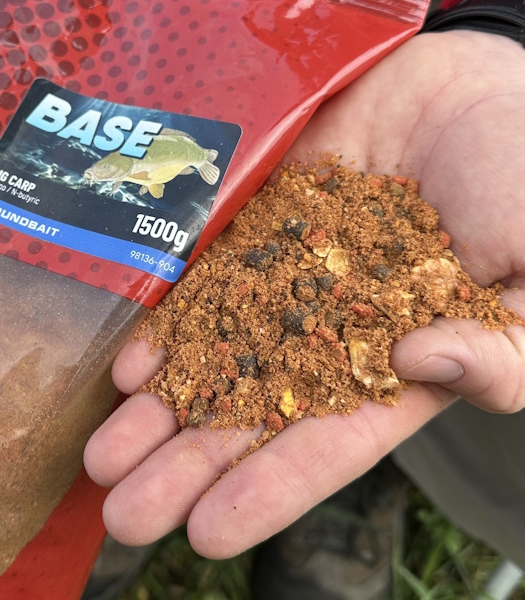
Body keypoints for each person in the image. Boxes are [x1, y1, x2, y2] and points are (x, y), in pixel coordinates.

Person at [83, 3, 525, 597]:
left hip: (408, 63)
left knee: (442, 386)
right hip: (188, 52)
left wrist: (503, 32)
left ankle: (366, 482)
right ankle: (93, 509)